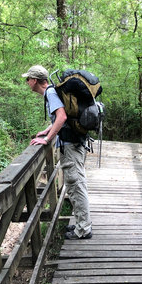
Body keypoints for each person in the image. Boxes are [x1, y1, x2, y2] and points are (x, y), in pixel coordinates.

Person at [23, 64, 92, 239]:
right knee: (74, 184)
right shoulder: (53, 92)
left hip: (71, 145)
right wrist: (48, 130)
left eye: (28, 79)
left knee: (77, 186)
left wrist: (46, 140)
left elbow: (62, 117)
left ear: (35, 80)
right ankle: (80, 224)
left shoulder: (51, 93)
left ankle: (83, 229)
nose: (27, 82)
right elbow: (59, 119)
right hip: (73, 143)